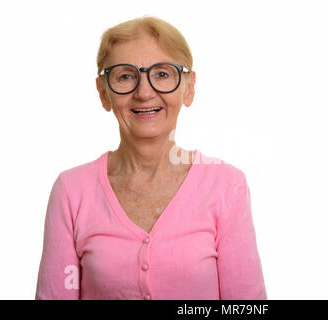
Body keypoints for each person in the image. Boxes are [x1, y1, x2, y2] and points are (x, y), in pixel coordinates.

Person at [35, 16, 267, 300]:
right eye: (125, 76)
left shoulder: (227, 186)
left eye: (162, 74)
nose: (144, 93)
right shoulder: (71, 191)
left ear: (189, 87)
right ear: (104, 93)